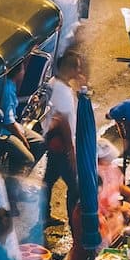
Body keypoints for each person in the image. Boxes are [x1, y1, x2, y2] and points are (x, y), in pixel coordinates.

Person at [41, 49, 84, 229]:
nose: (79, 71)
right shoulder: (63, 92)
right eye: (77, 68)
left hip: (53, 144)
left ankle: (44, 215)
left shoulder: (54, 83)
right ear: (70, 69)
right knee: (74, 187)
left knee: (48, 181)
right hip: (62, 146)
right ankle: (75, 223)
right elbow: (64, 122)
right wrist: (71, 151)